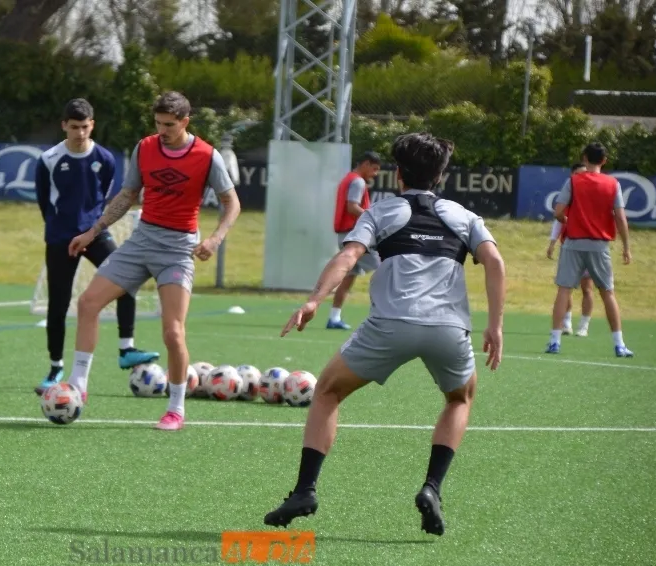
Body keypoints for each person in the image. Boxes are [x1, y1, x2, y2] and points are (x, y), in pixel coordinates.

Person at [263, 132, 506, 537]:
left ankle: (305, 491)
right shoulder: (464, 216)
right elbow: (495, 261)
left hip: (390, 325)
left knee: (326, 391)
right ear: (442, 175)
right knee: (459, 398)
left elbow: (348, 255)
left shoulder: (381, 212)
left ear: (398, 175)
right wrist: (495, 325)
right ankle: (431, 488)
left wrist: (313, 301)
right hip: (448, 329)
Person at [66, 91, 241, 430]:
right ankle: (78, 386)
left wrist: (215, 239)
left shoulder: (207, 155)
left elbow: (231, 202)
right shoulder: (145, 147)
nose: (162, 130)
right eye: (158, 123)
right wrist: (93, 231)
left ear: (185, 122)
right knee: (88, 303)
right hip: (141, 241)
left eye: (170, 125)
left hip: (177, 250)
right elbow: (127, 195)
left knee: (173, 333)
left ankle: (176, 409)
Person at [33, 98, 159, 395]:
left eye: (85, 127)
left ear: (93, 125)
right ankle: (55, 368)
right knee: (59, 304)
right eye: (74, 127)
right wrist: (59, 230)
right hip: (61, 238)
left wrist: (91, 228)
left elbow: (103, 197)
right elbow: (44, 202)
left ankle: (126, 348)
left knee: (126, 278)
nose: (80, 133)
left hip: (94, 234)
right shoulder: (49, 160)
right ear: (64, 126)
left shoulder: (105, 158)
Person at [545, 142, 633, 357]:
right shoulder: (613, 184)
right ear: (604, 160)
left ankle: (555, 342)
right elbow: (620, 218)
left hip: (573, 243)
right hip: (599, 245)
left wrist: (569, 219)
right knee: (607, 293)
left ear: (584, 158)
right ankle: (619, 344)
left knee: (564, 290)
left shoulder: (573, 181)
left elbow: (557, 212)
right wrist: (626, 247)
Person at [327, 151, 383, 330]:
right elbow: (352, 207)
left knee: (348, 278)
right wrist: (372, 217)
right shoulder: (358, 181)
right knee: (385, 269)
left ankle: (334, 318)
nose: (374, 174)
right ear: (365, 163)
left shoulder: (348, 178)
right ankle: (384, 317)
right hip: (356, 236)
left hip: (345, 235)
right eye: (373, 169)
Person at [546, 163, 593, 337]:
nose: (582, 177)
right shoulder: (567, 193)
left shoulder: (591, 194)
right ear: (572, 175)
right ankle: (566, 323)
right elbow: (558, 219)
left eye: (584, 173)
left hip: (589, 247)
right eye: (578, 174)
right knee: (566, 287)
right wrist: (552, 242)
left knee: (587, 287)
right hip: (569, 246)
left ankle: (584, 325)